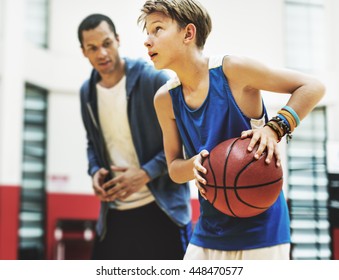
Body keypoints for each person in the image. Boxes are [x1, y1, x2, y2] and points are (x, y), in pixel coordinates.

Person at [138, 0, 325, 260]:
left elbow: (312, 86)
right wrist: (194, 164)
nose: (148, 40)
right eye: (146, 32)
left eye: (157, 29)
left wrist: (274, 129)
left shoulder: (233, 70)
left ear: (188, 34)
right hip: (209, 229)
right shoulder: (165, 99)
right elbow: (173, 169)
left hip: (262, 229)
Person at [78, 13, 192, 260]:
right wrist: (95, 170)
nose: (102, 54)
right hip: (114, 214)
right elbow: (92, 142)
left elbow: (184, 140)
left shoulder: (154, 80)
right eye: (92, 48)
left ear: (118, 40)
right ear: (83, 52)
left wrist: (145, 173)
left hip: (162, 210)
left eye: (107, 43)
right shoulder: (87, 92)